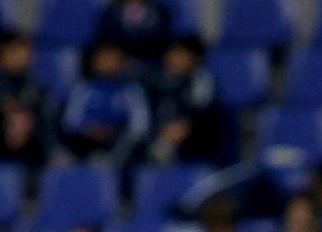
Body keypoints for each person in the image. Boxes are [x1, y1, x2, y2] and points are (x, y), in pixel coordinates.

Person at [60, 40, 152, 164]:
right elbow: (70, 120)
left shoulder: (131, 90)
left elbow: (141, 126)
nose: (108, 63)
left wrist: (113, 132)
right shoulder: (84, 88)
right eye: (104, 59)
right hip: (84, 142)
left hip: (118, 144)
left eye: (113, 59)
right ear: (94, 62)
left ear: (122, 62)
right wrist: (88, 130)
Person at [0, 31, 50, 166]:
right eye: (20, 50)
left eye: (29, 50)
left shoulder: (34, 84)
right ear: (4, 51)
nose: (27, 56)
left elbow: (43, 123)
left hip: (26, 154)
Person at [147, 37, 225, 165]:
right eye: (171, 54)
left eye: (179, 55)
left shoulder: (203, 80)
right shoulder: (160, 80)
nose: (172, 59)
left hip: (198, 139)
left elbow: (202, 111)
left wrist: (184, 126)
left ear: (194, 58)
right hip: (165, 133)